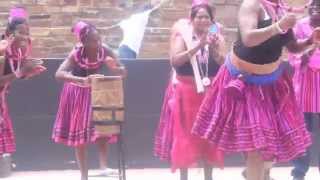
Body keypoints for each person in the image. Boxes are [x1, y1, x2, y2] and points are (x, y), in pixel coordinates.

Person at [191, 0, 317, 180]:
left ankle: (259, 173)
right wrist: (279, 26)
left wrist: (310, 41)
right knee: (256, 150)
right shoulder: (252, 5)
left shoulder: (279, 9)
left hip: (271, 84)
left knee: (269, 148)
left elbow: (293, 47)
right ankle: (256, 173)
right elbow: (249, 38)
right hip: (244, 83)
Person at [154, 1, 225, 180]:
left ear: (211, 20)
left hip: (209, 94)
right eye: (199, 17)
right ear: (192, 19)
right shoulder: (183, 35)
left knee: (208, 137)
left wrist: (215, 49)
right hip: (186, 94)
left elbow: (223, 62)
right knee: (185, 136)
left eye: (206, 17)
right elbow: (175, 61)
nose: (202, 20)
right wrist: (198, 46)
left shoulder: (216, 35)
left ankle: (208, 177)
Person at [52, 22, 126, 180]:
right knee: (81, 137)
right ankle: (83, 175)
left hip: (98, 92)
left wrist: (115, 68)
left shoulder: (105, 50)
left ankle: (103, 167)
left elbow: (124, 72)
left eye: (98, 39)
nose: (97, 43)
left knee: (102, 131)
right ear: (83, 42)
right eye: (93, 40)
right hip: (77, 93)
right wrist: (81, 80)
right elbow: (59, 74)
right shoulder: (76, 54)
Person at [0, 6, 45, 171]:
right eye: (21, 32)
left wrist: (28, 73)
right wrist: (21, 72)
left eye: (27, 33)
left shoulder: (17, 52)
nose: (25, 37)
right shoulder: (2, 50)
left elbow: (13, 75)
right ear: (9, 33)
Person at [288, 1, 320, 180]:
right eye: (313, 6)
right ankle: (299, 172)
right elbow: (293, 55)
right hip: (305, 82)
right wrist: (309, 50)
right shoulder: (301, 25)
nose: (316, 9)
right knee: (302, 130)